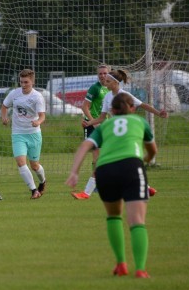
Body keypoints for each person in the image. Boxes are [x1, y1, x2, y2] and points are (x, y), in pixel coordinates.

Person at [66, 92, 158, 278]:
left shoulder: (105, 125)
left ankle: (121, 265)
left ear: (112, 111)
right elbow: (152, 151)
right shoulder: (140, 123)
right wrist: (144, 161)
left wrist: (74, 172)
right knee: (137, 221)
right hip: (131, 167)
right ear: (132, 108)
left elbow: (85, 146)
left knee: (114, 215)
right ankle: (140, 269)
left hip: (105, 171)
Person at [72, 68, 168, 200]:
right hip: (115, 134)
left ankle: (86, 193)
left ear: (116, 82)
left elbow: (143, 105)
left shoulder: (124, 96)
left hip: (125, 135)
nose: (105, 82)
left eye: (108, 81)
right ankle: (147, 188)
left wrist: (158, 113)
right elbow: (101, 117)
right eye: (105, 80)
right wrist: (89, 123)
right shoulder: (107, 96)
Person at [0, 69, 47, 199]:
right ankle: (33, 190)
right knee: (21, 162)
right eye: (21, 82)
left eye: (26, 82)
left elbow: (42, 116)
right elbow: (4, 106)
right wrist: (4, 117)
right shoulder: (14, 94)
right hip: (17, 133)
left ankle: (43, 181)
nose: (23, 85)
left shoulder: (37, 97)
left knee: (35, 166)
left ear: (32, 81)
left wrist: (38, 121)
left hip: (33, 134)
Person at [71, 63, 110, 200]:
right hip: (93, 125)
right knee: (97, 155)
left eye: (105, 73)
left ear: (109, 73)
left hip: (104, 125)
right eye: (100, 73)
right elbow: (84, 107)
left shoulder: (110, 89)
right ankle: (97, 184)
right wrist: (93, 122)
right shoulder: (95, 88)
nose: (102, 75)